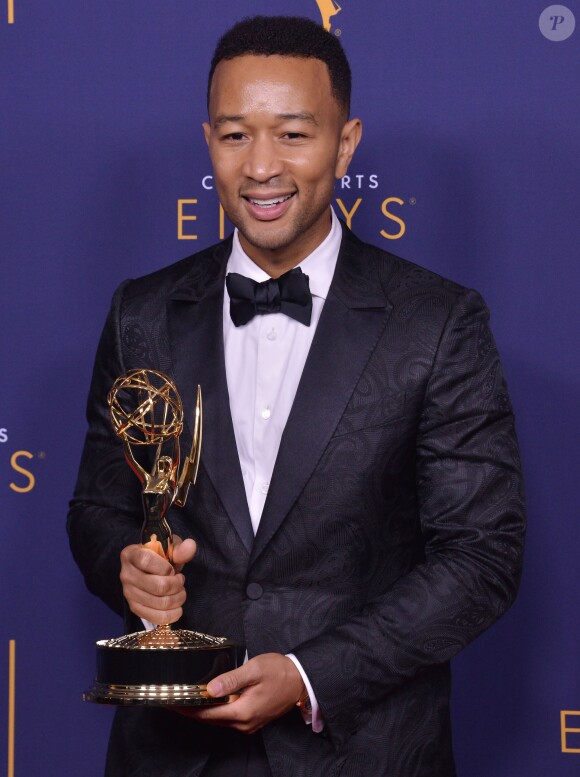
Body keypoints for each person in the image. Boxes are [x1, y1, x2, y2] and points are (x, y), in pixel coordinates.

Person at [68, 15, 526, 777]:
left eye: (292, 135)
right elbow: (96, 507)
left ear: (344, 144)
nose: (261, 167)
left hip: (363, 750)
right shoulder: (139, 312)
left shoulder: (437, 321)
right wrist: (126, 564)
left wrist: (310, 673)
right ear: (208, 141)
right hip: (171, 753)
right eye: (235, 135)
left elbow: (482, 555)